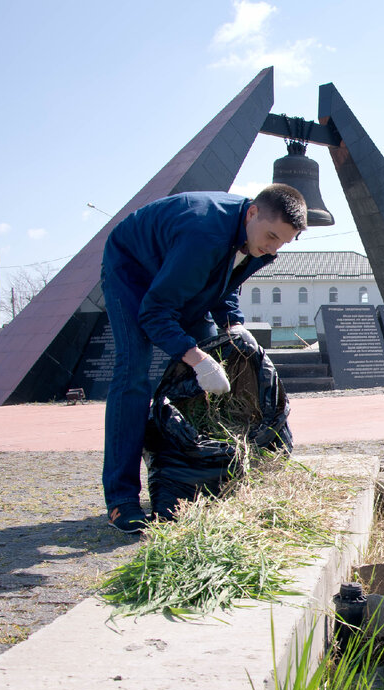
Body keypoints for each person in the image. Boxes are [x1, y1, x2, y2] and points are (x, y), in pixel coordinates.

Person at [101, 184, 306, 533]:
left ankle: (207, 478)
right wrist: (196, 360)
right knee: (133, 374)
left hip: (180, 274)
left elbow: (222, 283)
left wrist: (233, 326)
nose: (272, 248)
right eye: (270, 236)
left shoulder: (257, 241)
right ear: (252, 212)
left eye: (281, 243)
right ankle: (122, 501)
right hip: (134, 272)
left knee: (223, 357)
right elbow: (154, 313)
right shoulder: (203, 234)